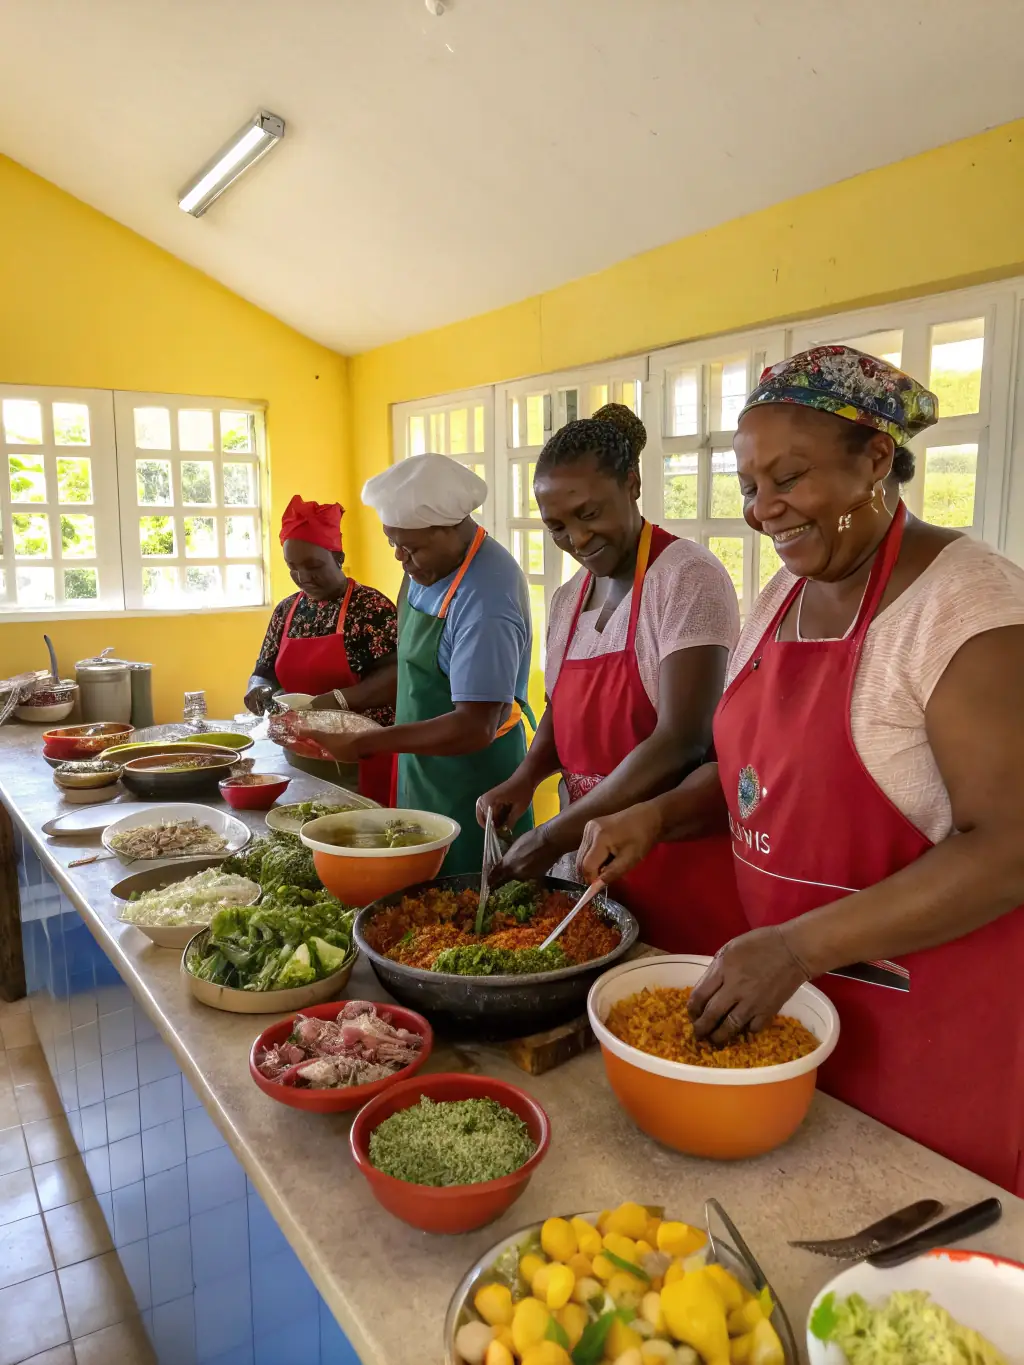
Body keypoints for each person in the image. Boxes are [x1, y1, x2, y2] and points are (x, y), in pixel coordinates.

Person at [578, 346, 1024, 1193]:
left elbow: (1008, 845)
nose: (763, 509)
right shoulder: (783, 595)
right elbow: (756, 775)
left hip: (927, 1032)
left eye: (790, 477)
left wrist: (798, 946)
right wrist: (659, 816)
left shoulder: (971, 608)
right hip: (783, 1013)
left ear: (877, 460)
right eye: (750, 487)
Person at [478, 405, 747, 953]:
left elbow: (683, 739)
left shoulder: (686, 578)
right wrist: (526, 776)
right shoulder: (567, 600)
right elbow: (561, 710)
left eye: (589, 513)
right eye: (557, 526)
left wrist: (554, 834)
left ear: (632, 483)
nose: (577, 538)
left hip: (674, 853)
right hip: (593, 858)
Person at [308, 455, 535, 874]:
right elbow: (411, 668)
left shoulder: (486, 598)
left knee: (465, 901)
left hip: (474, 784)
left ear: (452, 527)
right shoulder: (425, 568)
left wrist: (366, 743)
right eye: (392, 541)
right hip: (421, 765)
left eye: (410, 546)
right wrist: (345, 707)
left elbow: (475, 726)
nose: (399, 557)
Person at [245, 495, 398, 804]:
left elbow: (396, 678)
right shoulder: (287, 611)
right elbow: (263, 669)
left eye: (314, 566)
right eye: (293, 567)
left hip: (361, 754)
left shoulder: (370, 607)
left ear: (338, 558)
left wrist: (337, 700)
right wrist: (258, 689)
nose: (303, 577)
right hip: (301, 753)